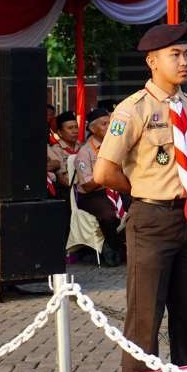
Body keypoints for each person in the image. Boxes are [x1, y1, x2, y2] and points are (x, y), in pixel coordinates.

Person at [93, 23, 187, 372]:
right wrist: (141, 189)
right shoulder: (133, 110)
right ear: (152, 61)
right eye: (175, 55)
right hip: (151, 219)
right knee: (145, 316)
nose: (184, 62)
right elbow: (104, 172)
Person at [74, 108, 131, 266]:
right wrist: (107, 175)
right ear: (92, 129)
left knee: (138, 206)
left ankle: (126, 244)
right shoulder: (85, 153)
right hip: (92, 194)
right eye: (104, 124)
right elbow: (87, 186)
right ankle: (113, 247)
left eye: (110, 123)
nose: (109, 126)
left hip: (115, 189)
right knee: (108, 215)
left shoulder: (116, 147)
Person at [48, 111, 81, 197]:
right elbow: (62, 179)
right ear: (60, 133)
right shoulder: (56, 150)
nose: (75, 131)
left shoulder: (83, 147)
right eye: (70, 128)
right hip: (70, 191)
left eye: (76, 127)